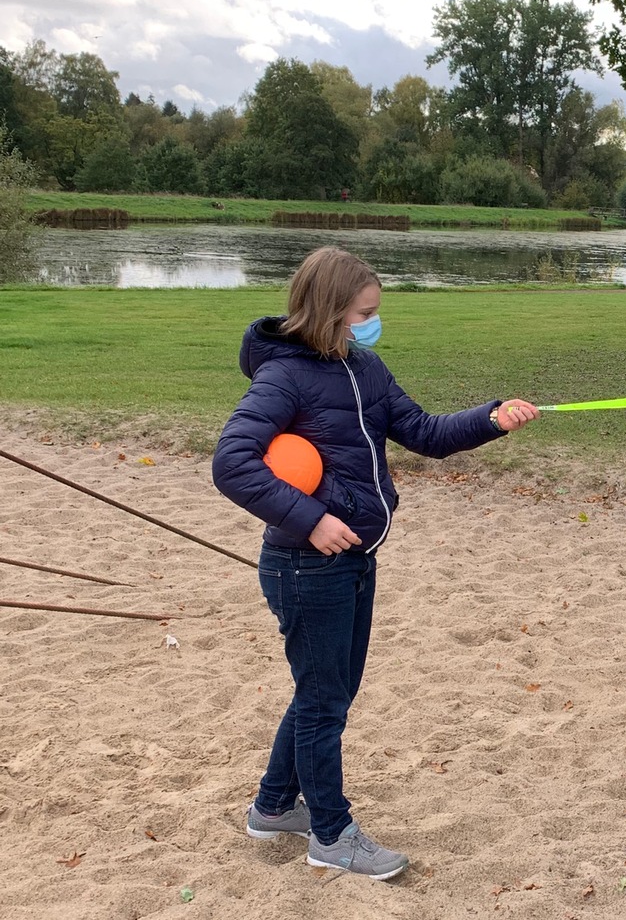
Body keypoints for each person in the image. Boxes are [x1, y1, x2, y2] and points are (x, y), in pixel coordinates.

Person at [212, 246, 539, 878]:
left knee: (325, 692)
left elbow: (424, 432)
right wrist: (311, 519)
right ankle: (330, 836)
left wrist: (492, 418)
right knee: (324, 700)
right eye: (363, 313)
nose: (371, 323)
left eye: (374, 314)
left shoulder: (365, 367)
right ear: (330, 311)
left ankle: (274, 807)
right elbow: (232, 463)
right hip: (305, 566)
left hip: (355, 558)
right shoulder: (283, 378)